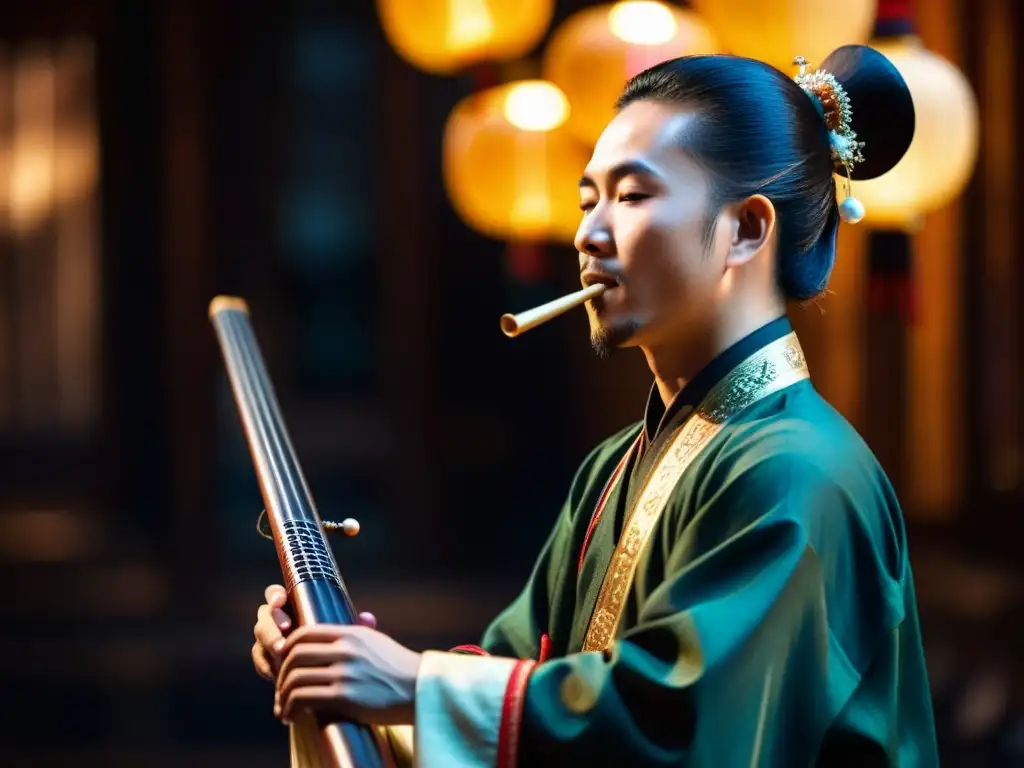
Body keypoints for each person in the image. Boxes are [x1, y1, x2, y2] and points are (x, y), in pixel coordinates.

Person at [252, 45, 939, 766]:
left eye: (633, 196)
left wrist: (413, 685)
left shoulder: (801, 476)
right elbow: (517, 672)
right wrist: (341, 668)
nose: (588, 233)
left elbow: (685, 727)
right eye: (588, 201)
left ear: (747, 229)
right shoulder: (612, 468)